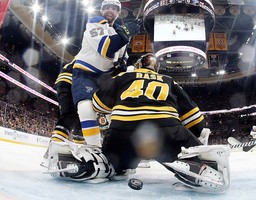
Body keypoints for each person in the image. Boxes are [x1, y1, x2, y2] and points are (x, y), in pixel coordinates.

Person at [47, 54, 230, 194]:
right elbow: (193, 117)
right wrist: (198, 140)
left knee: (114, 164)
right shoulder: (168, 81)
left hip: (121, 133)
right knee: (185, 152)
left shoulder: (122, 78)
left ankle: (91, 164)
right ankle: (197, 164)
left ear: (138, 65)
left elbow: (97, 105)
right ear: (156, 69)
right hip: (165, 131)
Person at [71, 0, 140, 147]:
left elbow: (122, 61)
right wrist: (126, 34)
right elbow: (106, 47)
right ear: (102, 10)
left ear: (118, 13)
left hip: (106, 78)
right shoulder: (94, 22)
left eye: (114, 8)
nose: (110, 10)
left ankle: (116, 149)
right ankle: (94, 148)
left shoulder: (119, 32)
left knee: (116, 113)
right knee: (86, 108)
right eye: (107, 7)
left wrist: (130, 69)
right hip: (85, 73)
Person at [40, 58, 85, 167]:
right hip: (73, 81)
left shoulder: (86, 52)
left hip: (66, 80)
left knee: (79, 119)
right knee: (71, 115)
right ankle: (53, 152)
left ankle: (81, 153)